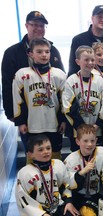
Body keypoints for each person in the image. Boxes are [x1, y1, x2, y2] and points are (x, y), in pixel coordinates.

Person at [1, 10, 64, 151]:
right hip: (28, 116)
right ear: (26, 26)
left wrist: (63, 118)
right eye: (34, 25)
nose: (38, 28)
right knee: (34, 152)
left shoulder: (53, 50)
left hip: (51, 114)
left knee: (53, 153)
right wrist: (13, 115)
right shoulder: (12, 52)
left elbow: (62, 87)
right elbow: (7, 85)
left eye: (42, 26)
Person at [12, 38, 66, 160]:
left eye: (47, 51)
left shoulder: (59, 75)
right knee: (33, 156)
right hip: (32, 126)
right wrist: (20, 122)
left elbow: (64, 101)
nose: (44, 55)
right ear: (30, 54)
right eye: (39, 52)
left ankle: (55, 178)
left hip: (54, 125)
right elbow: (17, 100)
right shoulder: (22, 74)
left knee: (55, 157)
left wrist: (63, 120)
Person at [15, 134, 79, 216]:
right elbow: (24, 200)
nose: (46, 151)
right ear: (30, 154)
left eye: (48, 148)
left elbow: (66, 186)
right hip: (38, 212)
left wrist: (68, 202)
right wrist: (42, 214)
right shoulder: (25, 174)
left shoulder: (58, 165)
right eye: (40, 150)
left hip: (58, 206)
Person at [62, 45, 103, 151]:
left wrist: (98, 125)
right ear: (78, 61)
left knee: (96, 156)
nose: (90, 63)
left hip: (96, 129)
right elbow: (68, 107)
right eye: (86, 60)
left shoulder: (99, 80)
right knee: (79, 157)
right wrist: (82, 127)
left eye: (92, 60)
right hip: (77, 130)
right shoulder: (71, 81)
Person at [64, 124, 103, 215]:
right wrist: (82, 172)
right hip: (76, 196)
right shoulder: (70, 160)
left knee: (89, 213)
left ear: (96, 140)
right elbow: (67, 185)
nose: (90, 144)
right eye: (85, 141)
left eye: (92, 140)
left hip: (95, 195)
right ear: (77, 141)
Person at [68, 5, 103, 76]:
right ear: (92, 18)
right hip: (84, 83)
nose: (102, 20)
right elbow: (73, 67)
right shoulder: (78, 40)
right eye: (99, 17)